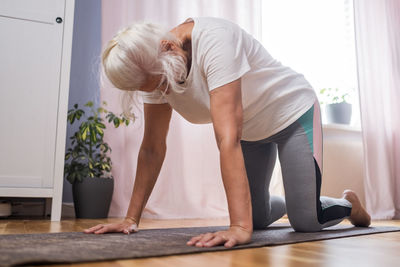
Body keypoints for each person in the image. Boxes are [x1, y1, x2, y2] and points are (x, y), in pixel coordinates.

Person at [84, 17, 371, 248]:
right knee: (256, 217)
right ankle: (296, 200)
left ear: (168, 48)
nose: (163, 92)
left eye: (161, 83)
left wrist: (239, 228)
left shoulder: (214, 40)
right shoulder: (151, 67)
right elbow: (152, 148)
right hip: (251, 130)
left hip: (291, 114)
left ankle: (348, 204)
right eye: (153, 89)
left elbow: (227, 139)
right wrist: (130, 218)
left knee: (307, 220)